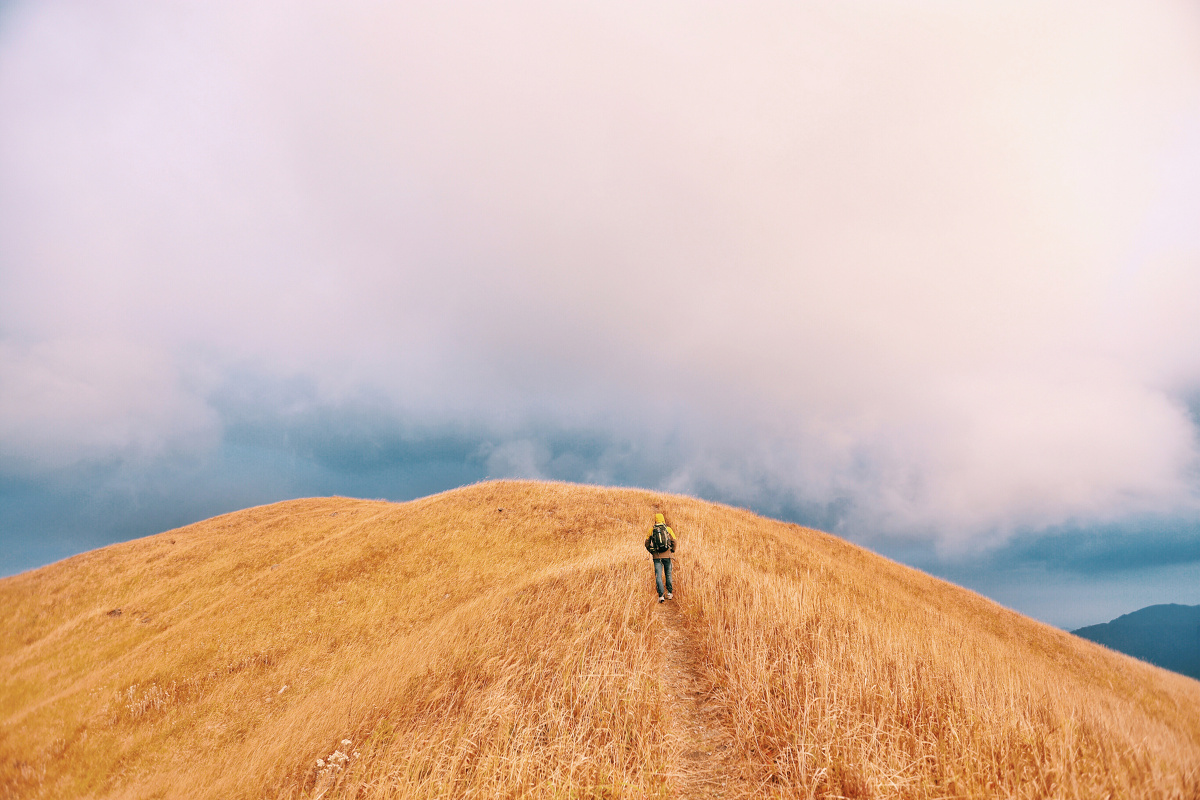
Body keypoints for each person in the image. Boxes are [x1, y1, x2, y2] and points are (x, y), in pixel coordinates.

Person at [644, 512, 676, 603]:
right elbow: (675, 541)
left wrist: (652, 551)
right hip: (667, 556)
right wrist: (672, 551)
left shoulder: (651, 530)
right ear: (663, 519)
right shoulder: (668, 529)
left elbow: (646, 543)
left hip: (656, 557)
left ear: (655, 520)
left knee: (658, 575)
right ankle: (669, 593)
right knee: (668, 574)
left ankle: (661, 595)